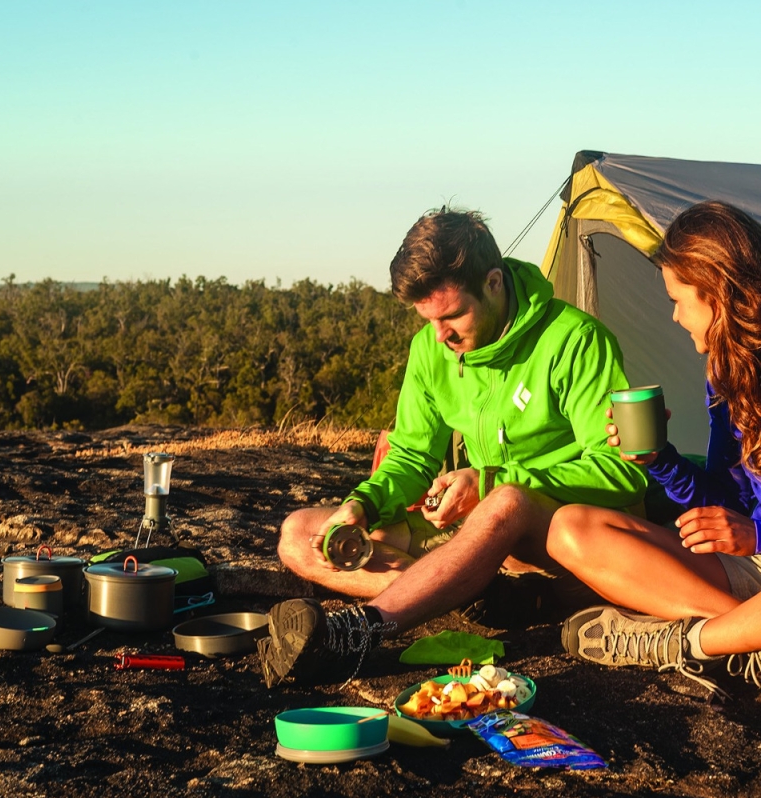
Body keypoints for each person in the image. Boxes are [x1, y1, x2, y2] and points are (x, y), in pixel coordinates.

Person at [257, 207, 646, 688]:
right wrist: (366, 502)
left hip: (549, 535)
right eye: (428, 320)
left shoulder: (576, 341)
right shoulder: (431, 349)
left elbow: (624, 473)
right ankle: (467, 591)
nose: (441, 336)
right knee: (299, 534)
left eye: (452, 316)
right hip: (470, 531)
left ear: (494, 283)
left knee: (505, 502)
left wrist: (489, 483)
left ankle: (362, 631)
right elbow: (413, 456)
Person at [548, 201, 761, 698]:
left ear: (717, 294)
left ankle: (689, 644)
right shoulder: (727, 377)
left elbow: (746, 526)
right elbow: (724, 502)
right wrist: (660, 459)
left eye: (679, 299)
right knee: (570, 530)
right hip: (748, 576)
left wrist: (753, 534)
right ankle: (742, 638)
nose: (674, 315)